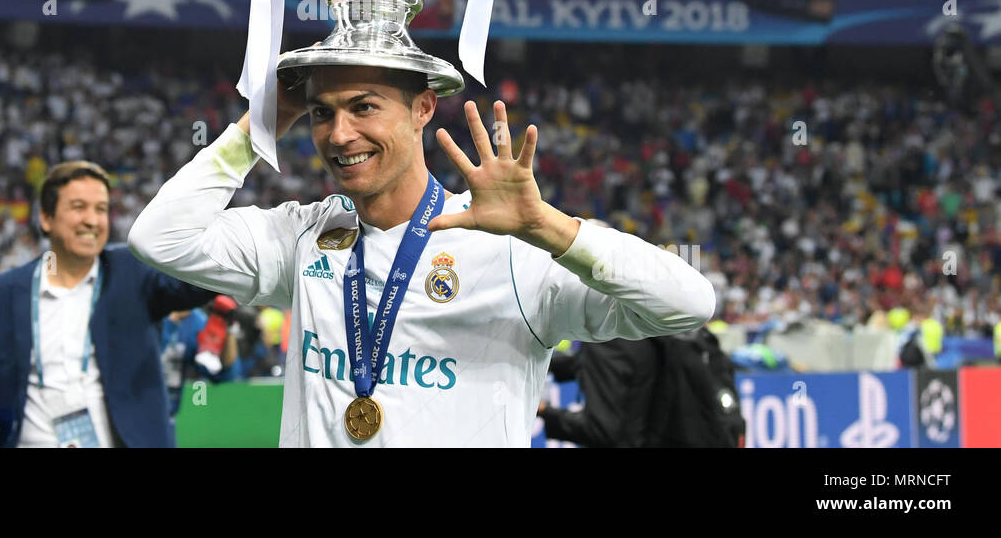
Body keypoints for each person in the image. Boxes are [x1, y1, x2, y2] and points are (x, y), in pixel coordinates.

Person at [129, 65, 716, 447]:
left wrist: (549, 225)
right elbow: (159, 238)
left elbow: (690, 304)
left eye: (364, 107)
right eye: (321, 113)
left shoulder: (515, 249)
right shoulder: (305, 237)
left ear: (424, 109)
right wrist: (263, 122)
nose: (338, 135)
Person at [0, 160, 214, 448]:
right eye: (79, 207)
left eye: (101, 209)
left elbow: (196, 284)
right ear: (46, 218)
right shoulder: (0, 292)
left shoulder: (134, 272)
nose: (92, 220)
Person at [536, 339, 660, 447]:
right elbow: (586, 363)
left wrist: (542, 409)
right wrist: (541, 364)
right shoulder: (640, 334)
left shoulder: (608, 344)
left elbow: (599, 430)